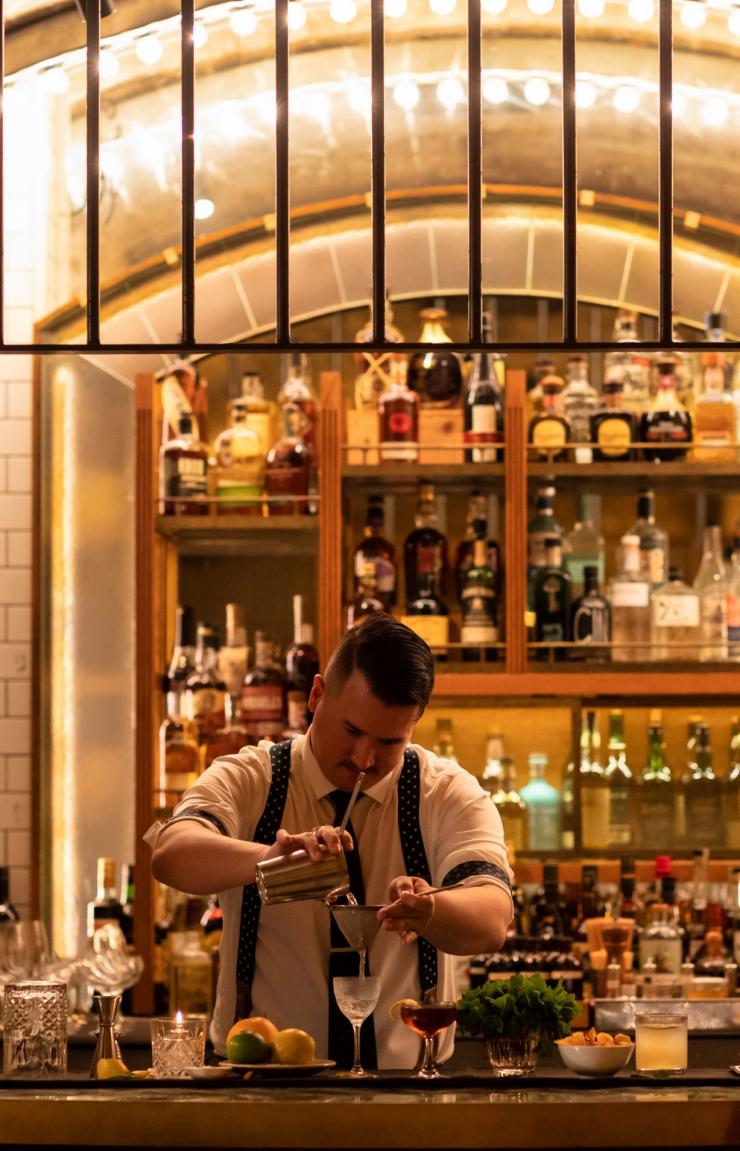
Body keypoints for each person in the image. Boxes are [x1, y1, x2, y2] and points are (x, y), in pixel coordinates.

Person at [149, 614, 512, 1069]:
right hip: (262, 1087)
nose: (364, 759)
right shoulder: (253, 778)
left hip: (409, 1091)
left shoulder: (444, 792)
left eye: (389, 741)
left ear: (414, 725)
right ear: (317, 695)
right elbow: (171, 854)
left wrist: (431, 909)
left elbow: (493, 919)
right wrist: (268, 858)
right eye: (352, 731)